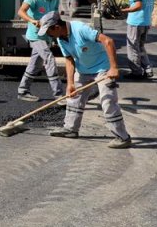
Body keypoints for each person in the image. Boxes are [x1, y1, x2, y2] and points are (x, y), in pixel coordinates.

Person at [39, 11, 132, 149]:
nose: (48, 36)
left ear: (56, 27)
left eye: (48, 32)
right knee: (73, 99)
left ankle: (122, 137)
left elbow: (108, 41)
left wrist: (113, 67)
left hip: (103, 69)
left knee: (107, 101)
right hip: (83, 70)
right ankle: (70, 129)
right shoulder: (61, 38)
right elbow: (69, 59)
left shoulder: (80, 29)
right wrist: (70, 84)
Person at [16, 0, 64, 102]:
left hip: (47, 34)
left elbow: (55, 14)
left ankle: (23, 91)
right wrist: (31, 20)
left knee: (35, 64)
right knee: (49, 59)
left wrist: (57, 32)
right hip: (35, 34)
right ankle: (59, 95)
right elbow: (21, 11)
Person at [120, 0, 156, 79]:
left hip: (135, 23)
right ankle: (148, 69)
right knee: (140, 47)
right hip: (146, 22)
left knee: (132, 47)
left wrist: (124, 10)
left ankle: (136, 72)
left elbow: (138, 5)